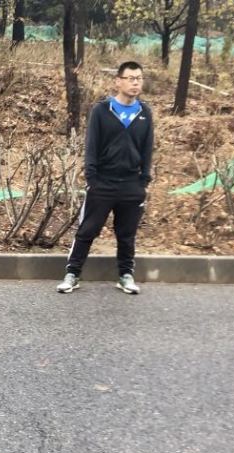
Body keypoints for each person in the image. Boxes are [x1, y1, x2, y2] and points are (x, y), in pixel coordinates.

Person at [58, 60, 154, 295]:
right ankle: (72, 273)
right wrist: (92, 178)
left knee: (126, 234)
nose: (135, 83)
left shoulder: (145, 113)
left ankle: (125, 275)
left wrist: (143, 180)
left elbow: (147, 149)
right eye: (130, 78)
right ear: (118, 81)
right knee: (87, 229)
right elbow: (91, 147)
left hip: (132, 185)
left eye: (138, 78)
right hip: (102, 183)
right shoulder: (102, 111)